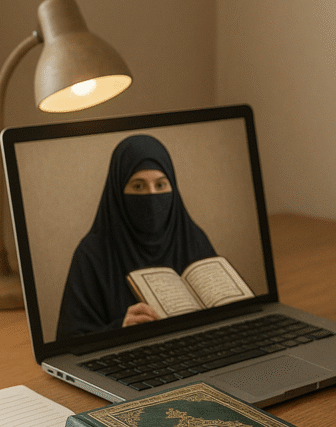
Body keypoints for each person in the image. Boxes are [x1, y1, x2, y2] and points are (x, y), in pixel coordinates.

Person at [56, 134, 216, 339]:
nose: (151, 196)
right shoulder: (92, 254)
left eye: (160, 185)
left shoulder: (193, 239)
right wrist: (120, 329)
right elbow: (69, 343)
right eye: (138, 186)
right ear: (118, 190)